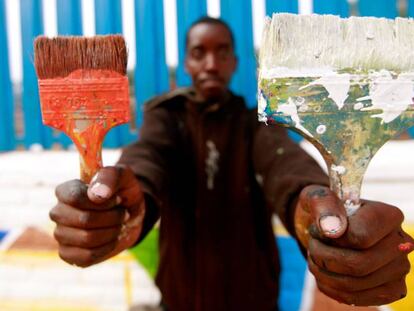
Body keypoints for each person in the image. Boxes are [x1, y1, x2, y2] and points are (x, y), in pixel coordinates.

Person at [49, 17, 414, 310]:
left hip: (255, 300)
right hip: (178, 299)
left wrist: (317, 218)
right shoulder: (167, 117)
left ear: (234, 62)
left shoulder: (255, 124)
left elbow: (285, 169)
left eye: (222, 52)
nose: (211, 62)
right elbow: (147, 158)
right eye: (199, 52)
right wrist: (126, 209)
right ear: (187, 61)